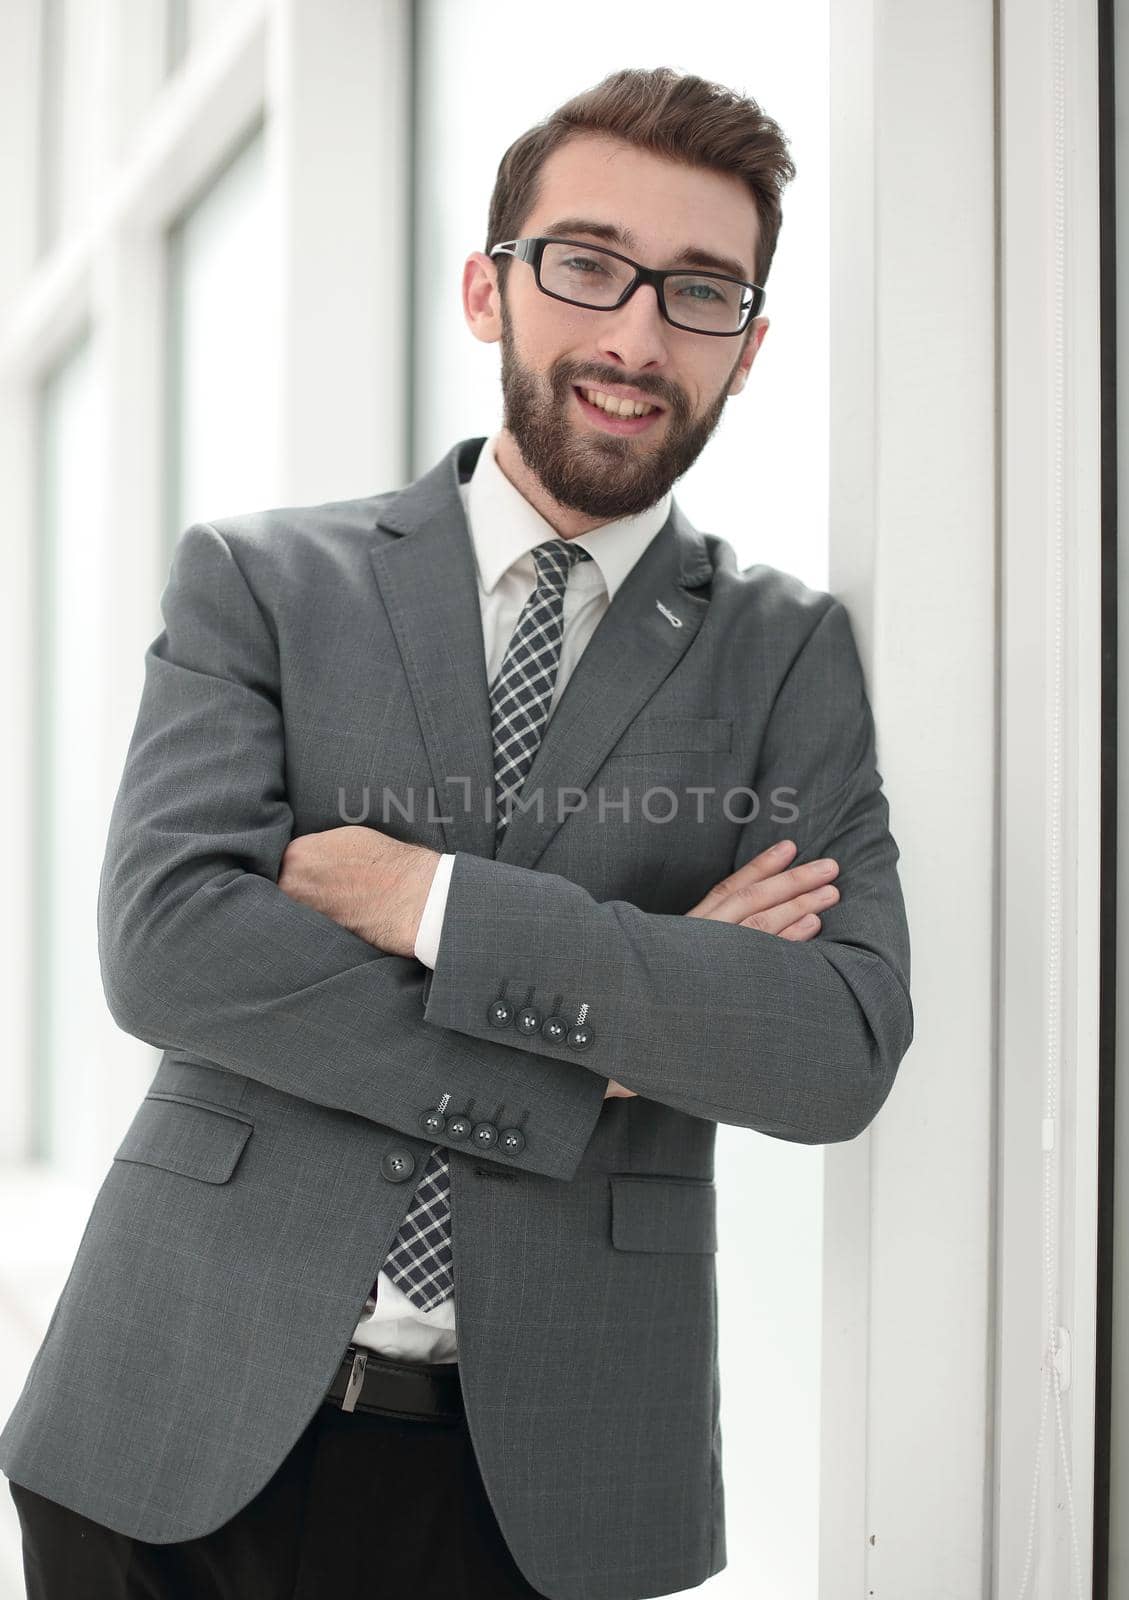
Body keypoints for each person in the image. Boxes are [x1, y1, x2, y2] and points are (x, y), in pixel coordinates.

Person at [0, 64, 913, 1600]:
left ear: (748, 351)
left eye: (697, 292)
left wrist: (422, 899)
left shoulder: (783, 655)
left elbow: (833, 1044)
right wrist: (627, 1028)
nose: (632, 335)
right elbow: (170, 953)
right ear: (490, 291)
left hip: (546, 1485)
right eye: (586, 265)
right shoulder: (265, 583)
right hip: (166, 1417)